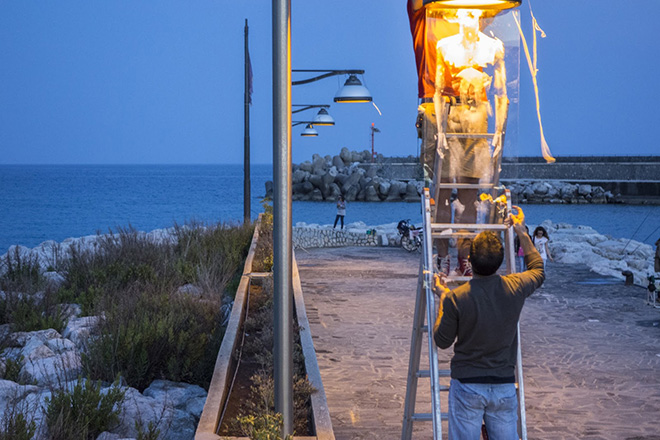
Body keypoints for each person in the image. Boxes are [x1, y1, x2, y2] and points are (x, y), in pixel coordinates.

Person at [433, 206, 544, 438]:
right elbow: (538, 269)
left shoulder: (456, 297)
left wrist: (443, 297)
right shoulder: (515, 287)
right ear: (501, 260)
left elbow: (442, 341)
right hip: (503, 384)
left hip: (467, 385)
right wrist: (521, 231)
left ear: (470, 261)